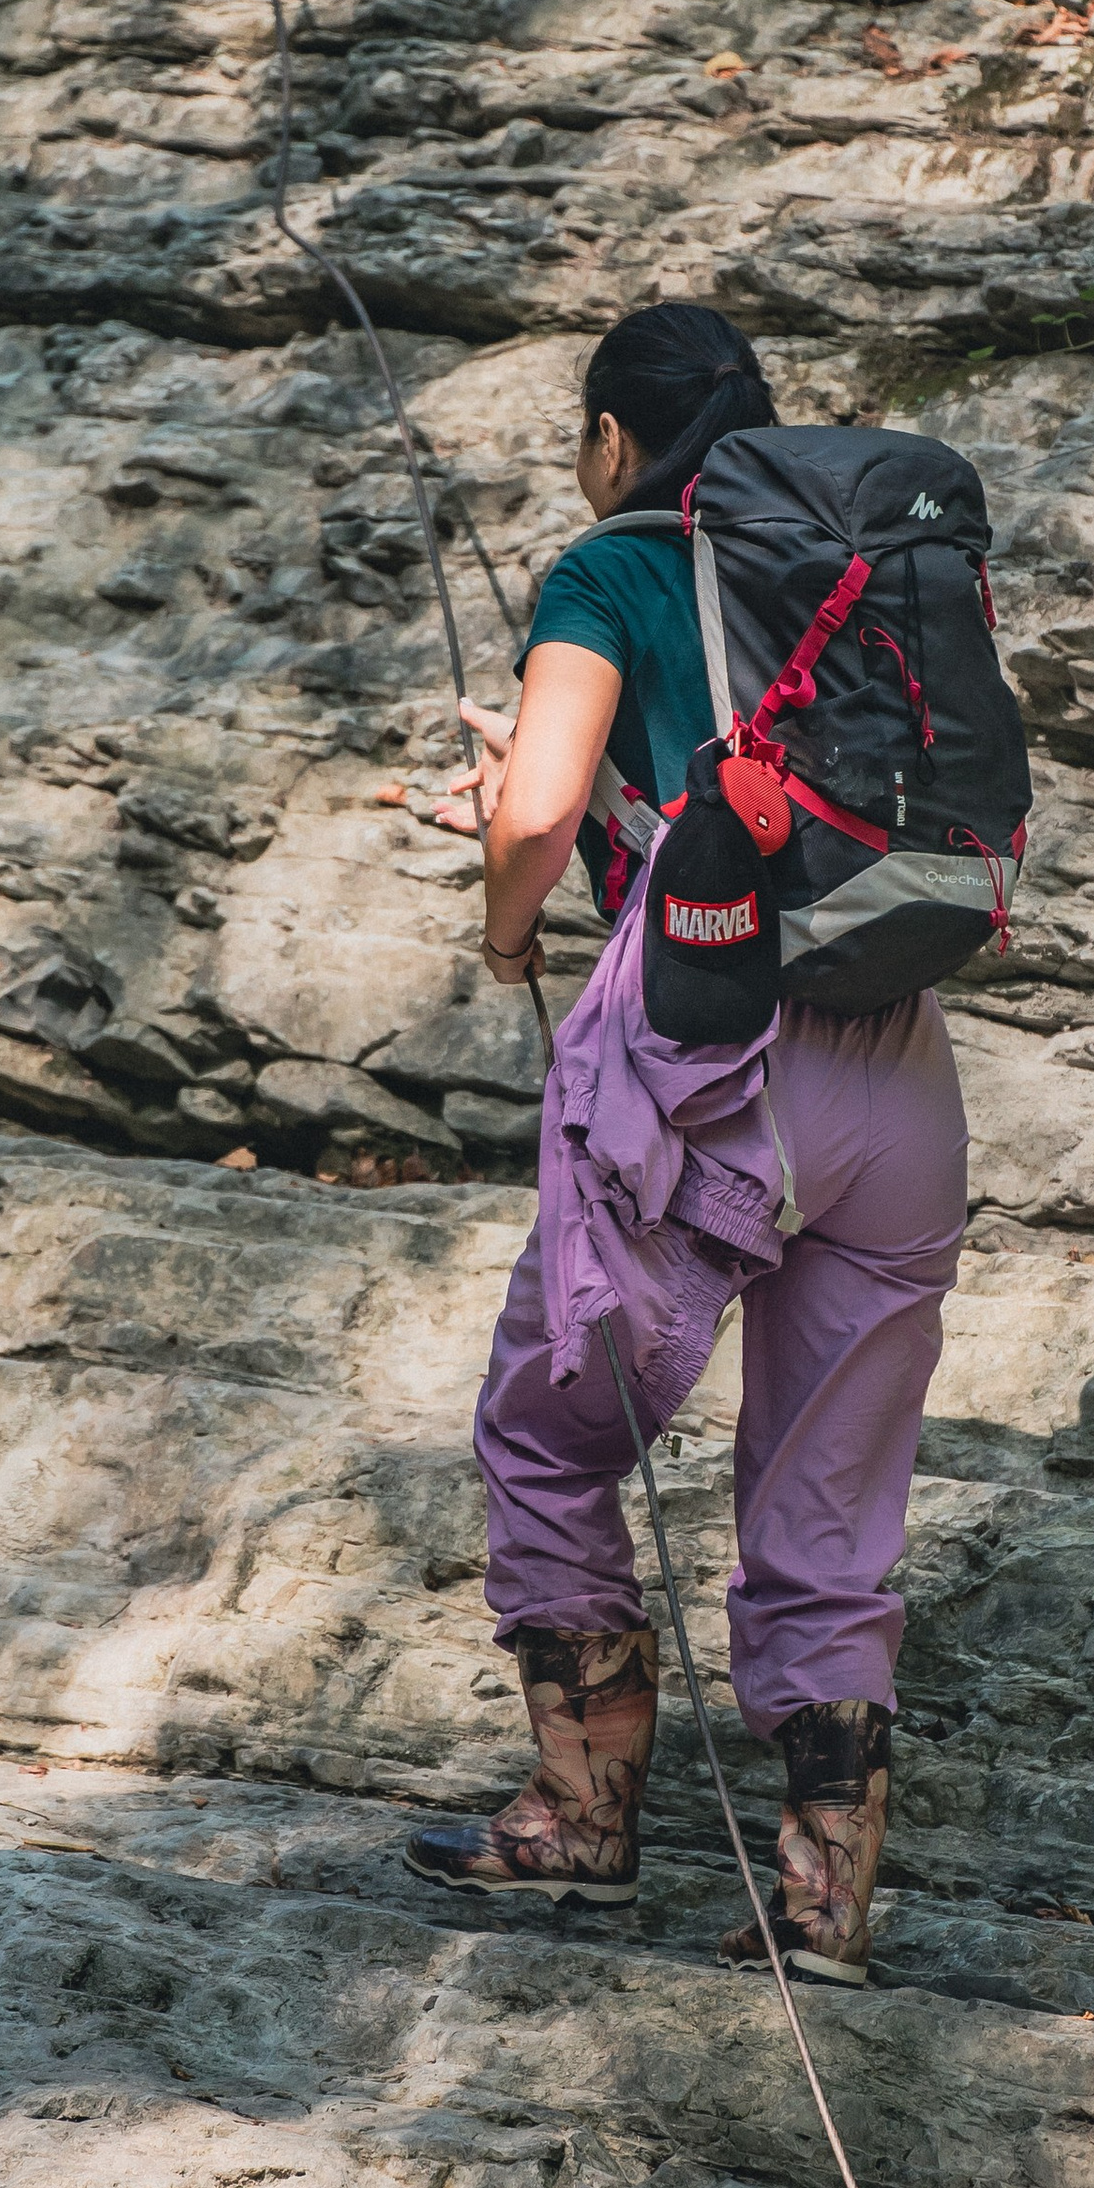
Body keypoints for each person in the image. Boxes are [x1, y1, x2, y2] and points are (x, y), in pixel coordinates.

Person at [402, 301, 970, 1985]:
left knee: (550, 1425)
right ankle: (822, 1907)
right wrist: (578, 815)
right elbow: (702, 794)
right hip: (899, 1082)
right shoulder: (834, 577)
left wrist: (512, 918)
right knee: (829, 1510)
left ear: (606, 440)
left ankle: (582, 1819)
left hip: (715, 1081)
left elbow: (540, 807)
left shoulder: (611, 566)